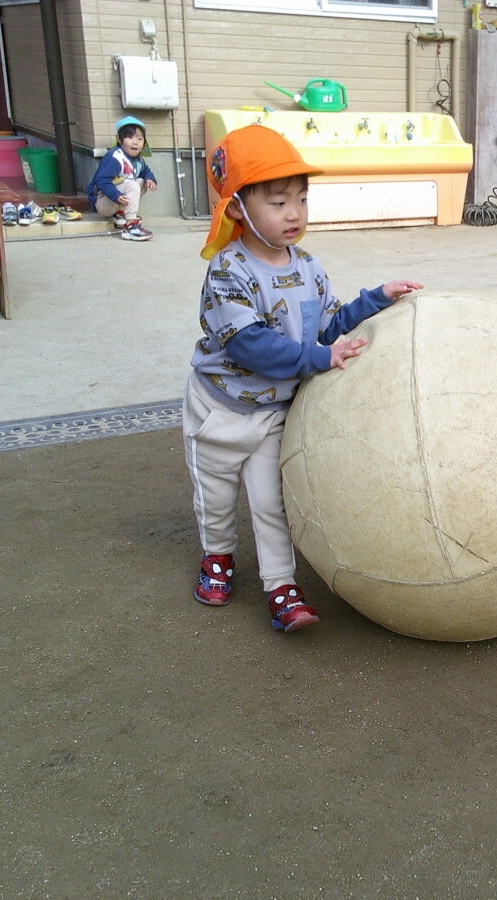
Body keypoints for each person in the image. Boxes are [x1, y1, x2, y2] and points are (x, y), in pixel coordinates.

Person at [183, 124, 422, 633]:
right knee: (216, 499)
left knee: (273, 502)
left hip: (275, 414)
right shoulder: (228, 270)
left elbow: (328, 327)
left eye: (301, 199)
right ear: (237, 209)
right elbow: (249, 344)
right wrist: (318, 358)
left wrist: (375, 299)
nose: (294, 213)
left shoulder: (309, 267)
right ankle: (218, 556)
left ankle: (281, 586)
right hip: (219, 409)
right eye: (277, 202)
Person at [86, 115, 157, 242]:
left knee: (142, 182)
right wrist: (115, 195)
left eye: (140, 139)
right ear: (119, 139)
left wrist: (150, 178)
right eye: (130, 137)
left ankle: (120, 214)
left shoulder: (138, 160)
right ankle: (130, 226)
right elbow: (102, 180)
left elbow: (145, 171)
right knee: (133, 185)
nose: (135, 142)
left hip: (117, 200)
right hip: (103, 201)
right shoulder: (115, 157)